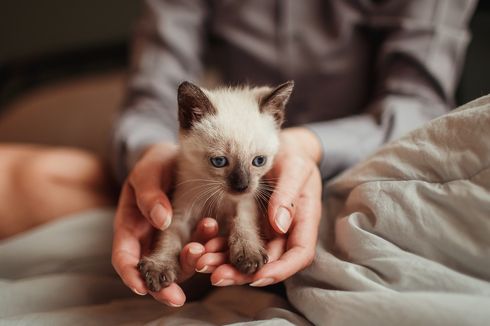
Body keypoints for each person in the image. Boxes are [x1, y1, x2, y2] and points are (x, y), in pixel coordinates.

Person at [111, 0, 476, 307]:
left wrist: (310, 144)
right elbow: (153, 90)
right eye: (222, 162)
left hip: (363, 157)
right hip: (220, 150)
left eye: (256, 164)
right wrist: (150, 151)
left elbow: (420, 107)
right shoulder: (208, 144)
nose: (241, 182)